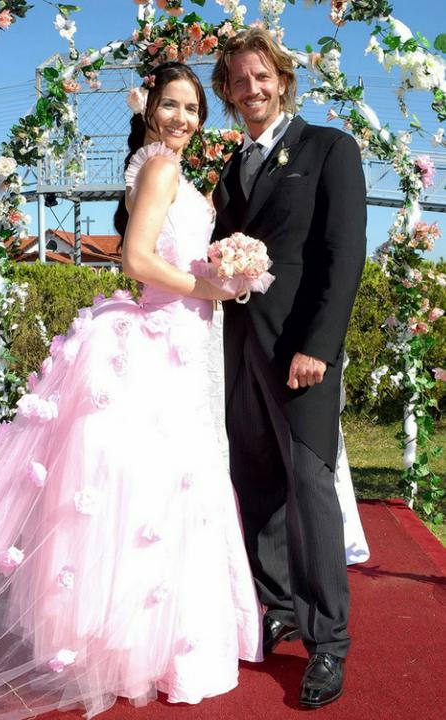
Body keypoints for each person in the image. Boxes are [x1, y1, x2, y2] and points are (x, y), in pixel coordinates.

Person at [0, 62, 262, 720]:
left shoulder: (160, 166)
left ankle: (140, 640)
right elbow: (136, 259)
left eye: (193, 108)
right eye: (172, 104)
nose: (183, 117)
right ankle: (145, 646)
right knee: (164, 486)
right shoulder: (160, 167)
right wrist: (212, 287)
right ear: (149, 108)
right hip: (166, 335)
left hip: (186, 338)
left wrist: (224, 269)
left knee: (165, 485)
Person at [211, 28, 367, 708]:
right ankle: (276, 606)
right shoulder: (228, 167)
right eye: (238, 80)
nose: (252, 89)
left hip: (299, 353)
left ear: (282, 79)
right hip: (239, 349)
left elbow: (344, 254)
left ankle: (328, 640)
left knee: (309, 488)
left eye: (261, 76)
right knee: (256, 482)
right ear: (226, 92)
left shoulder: (328, 148)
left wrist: (319, 347)